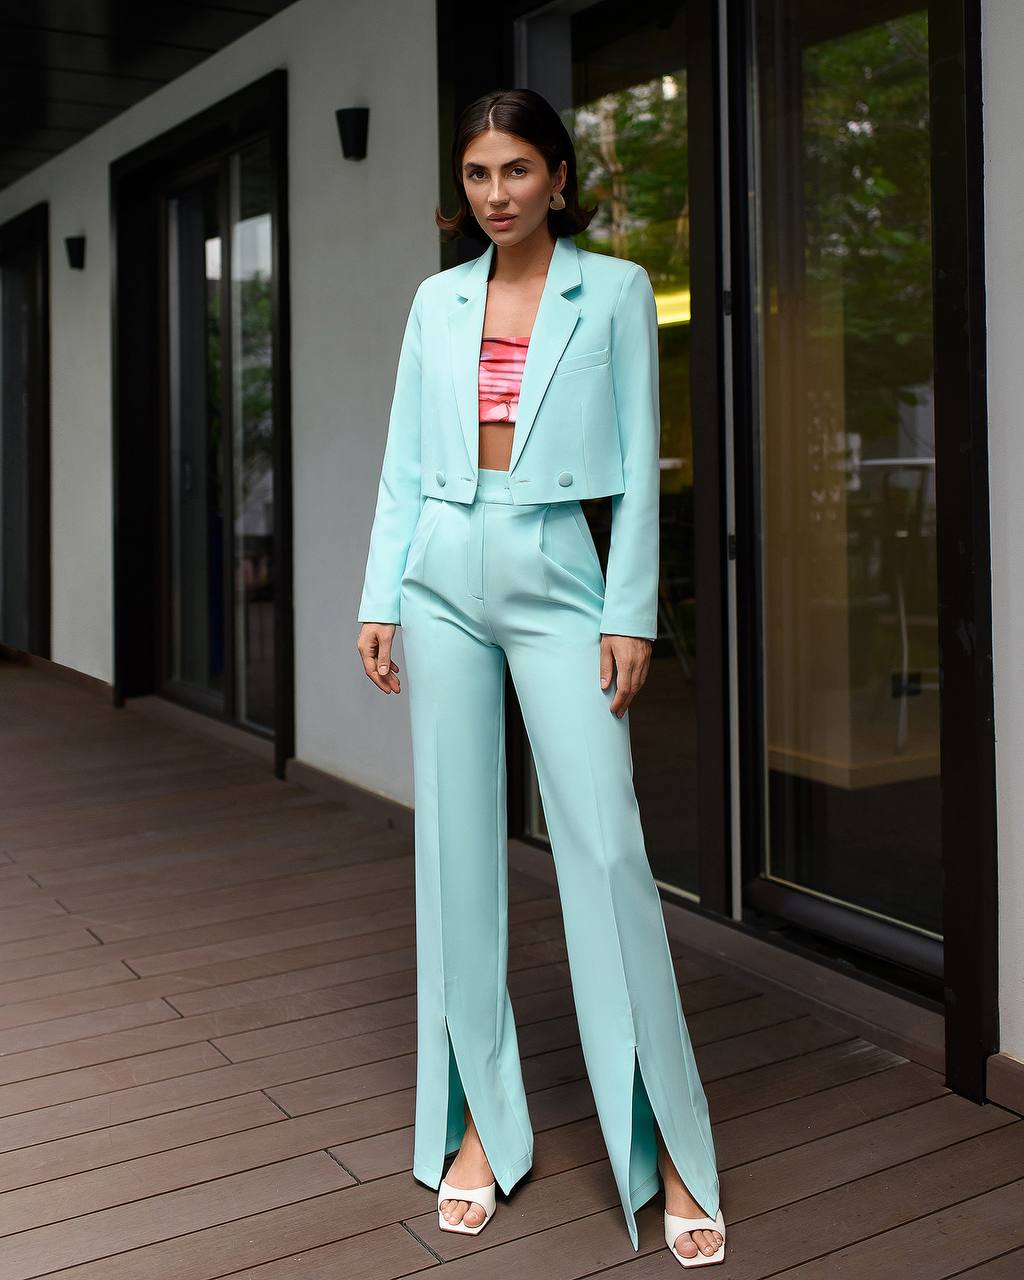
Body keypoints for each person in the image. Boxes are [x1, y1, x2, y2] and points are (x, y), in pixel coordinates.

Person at [356, 87, 726, 1267]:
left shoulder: (611, 291)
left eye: (518, 170)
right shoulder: (436, 299)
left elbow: (643, 458)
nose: (497, 193)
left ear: (558, 178)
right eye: (477, 175)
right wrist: (380, 593)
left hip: (560, 568)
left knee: (607, 851)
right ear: (459, 188)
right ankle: (473, 1130)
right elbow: (406, 460)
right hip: (441, 575)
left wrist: (631, 613)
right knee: (457, 856)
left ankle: (671, 1147)